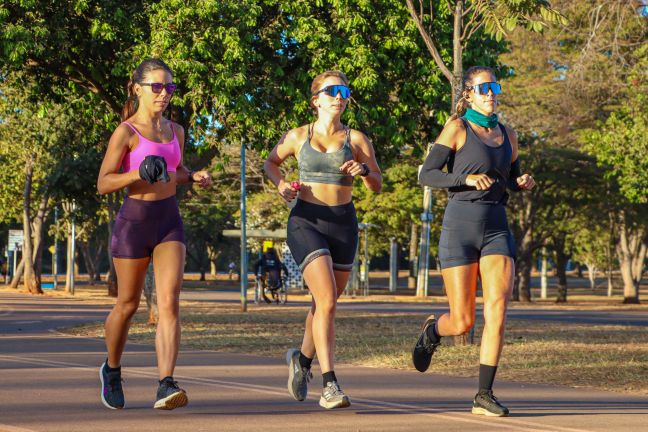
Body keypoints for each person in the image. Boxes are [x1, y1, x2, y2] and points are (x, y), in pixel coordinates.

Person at [412, 66, 535, 417]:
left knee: (498, 307)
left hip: (496, 226)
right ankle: (434, 332)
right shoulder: (457, 128)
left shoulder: (508, 133)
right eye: (483, 87)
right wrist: (466, 179)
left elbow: (509, 179)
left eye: (494, 86)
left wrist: (521, 181)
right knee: (463, 321)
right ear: (467, 94)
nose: (491, 92)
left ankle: (484, 394)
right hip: (460, 226)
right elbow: (427, 174)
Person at [97, 58, 212, 410]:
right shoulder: (126, 132)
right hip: (134, 222)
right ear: (138, 89)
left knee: (170, 302)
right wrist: (136, 174)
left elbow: (172, 172)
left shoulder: (175, 131)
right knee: (128, 305)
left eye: (170, 88)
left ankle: (166, 383)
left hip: (169, 221)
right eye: (157, 87)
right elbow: (103, 183)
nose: (164, 94)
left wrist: (192, 177)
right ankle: (112, 369)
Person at [264, 70, 382, 409]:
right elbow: (271, 163)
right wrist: (281, 185)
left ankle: (301, 361)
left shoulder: (356, 140)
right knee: (327, 300)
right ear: (315, 99)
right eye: (331, 91)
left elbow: (377, 182)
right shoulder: (298, 136)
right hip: (307, 221)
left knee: (322, 305)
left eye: (343, 91)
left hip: (343, 224)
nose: (339, 96)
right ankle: (330, 384)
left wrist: (363, 173)